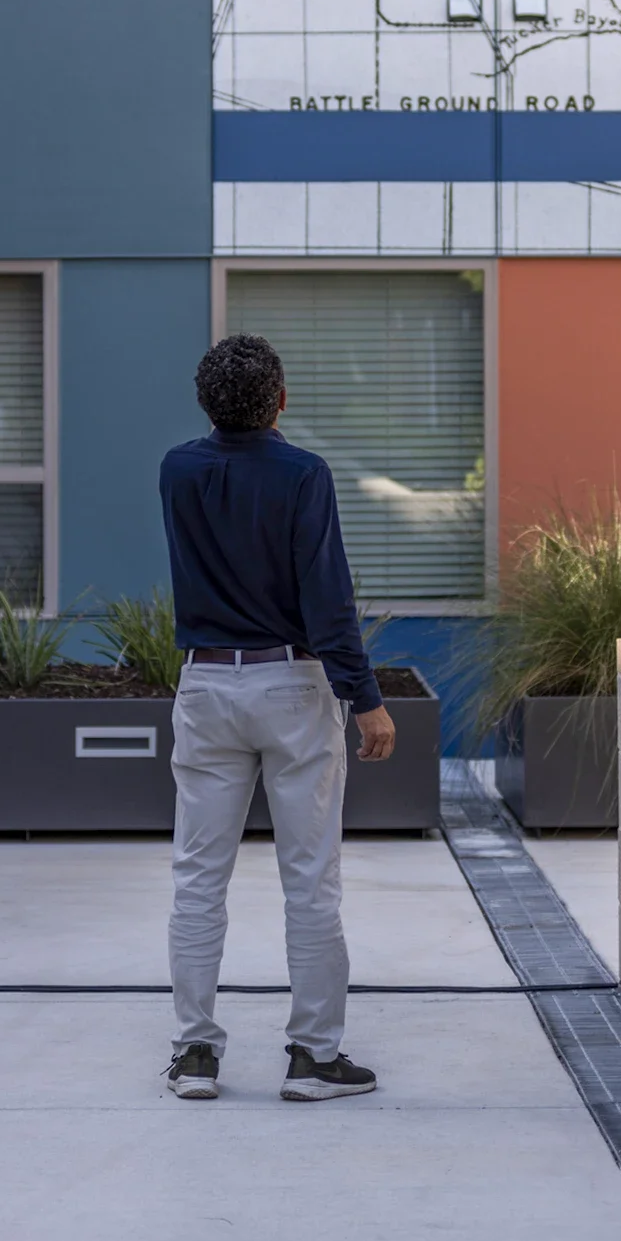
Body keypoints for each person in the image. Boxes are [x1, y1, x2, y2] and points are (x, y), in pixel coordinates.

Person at [159, 333, 397, 1102]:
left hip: (206, 687)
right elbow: (327, 600)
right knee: (311, 880)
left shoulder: (178, 470)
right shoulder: (303, 475)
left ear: (204, 403)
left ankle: (195, 1054)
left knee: (199, 877)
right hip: (292, 684)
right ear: (283, 401)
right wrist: (365, 697)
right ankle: (314, 1058)